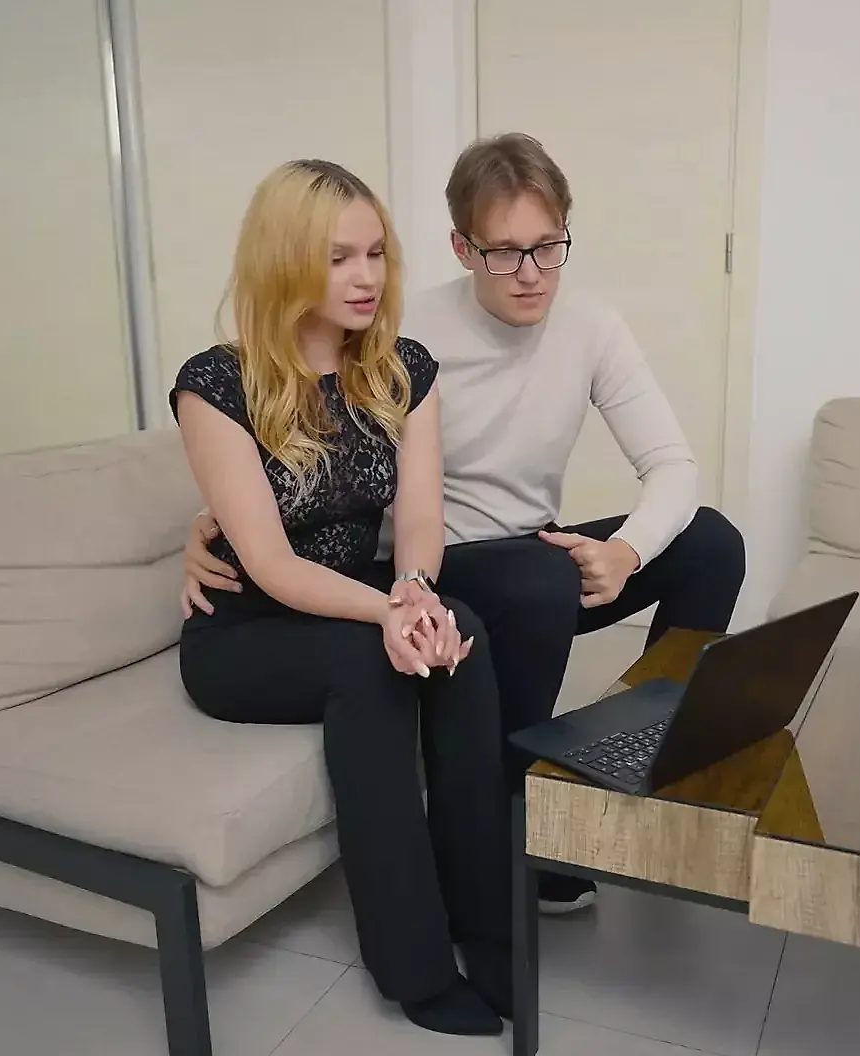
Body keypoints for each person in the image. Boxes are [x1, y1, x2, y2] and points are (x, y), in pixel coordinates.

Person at [182, 134, 748, 916]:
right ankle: (520, 822)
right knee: (538, 577)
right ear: (462, 248)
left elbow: (673, 465)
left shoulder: (591, 326)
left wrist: (625, 551)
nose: (531, 273)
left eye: (548, 247)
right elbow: (301, 445)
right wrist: (213, 522)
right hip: (441, 568)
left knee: (711, 543)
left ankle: (640, 767)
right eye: (505, 252)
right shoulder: (399, 329)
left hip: (532, 556)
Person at [171, 159, 512, 1036]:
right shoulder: (215, 385)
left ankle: (489, 926)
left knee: (462, 634)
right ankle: (414, 968)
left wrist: (417, 594)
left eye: (376, 253)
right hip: (244, 630)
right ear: (284, 262)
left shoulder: (402, 370)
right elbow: (269, 563)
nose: (366, 277)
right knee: (373, 666)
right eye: (337, 259)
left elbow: (422, 514)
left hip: (352, 595)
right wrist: (387, 615)